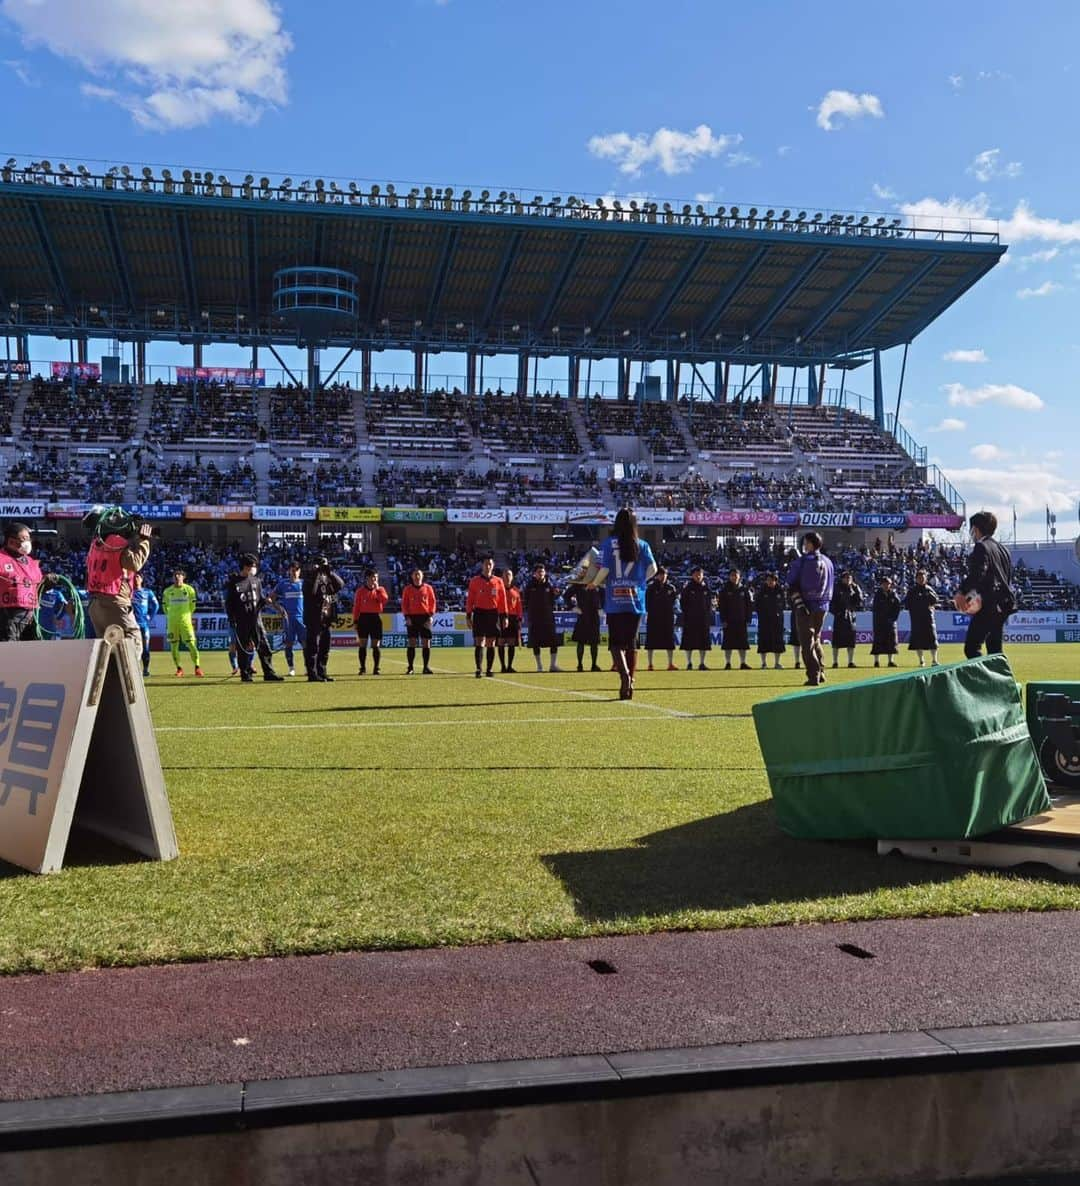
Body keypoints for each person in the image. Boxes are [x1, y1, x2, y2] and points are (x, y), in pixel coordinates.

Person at [592, 507, 657, 700]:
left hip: (615, 600)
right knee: (631, 644)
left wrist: (593, 584)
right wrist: (639, 582)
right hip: (635, 600)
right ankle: (632, 681)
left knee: (615, 644)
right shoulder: (642, 545)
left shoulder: (608, 544)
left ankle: (624, 676)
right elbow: (653, 568)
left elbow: (603, 570)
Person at [85, 515, 153, 645]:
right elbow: (134, 563)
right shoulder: (116, 542)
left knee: (107, 646)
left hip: (95, 602)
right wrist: (143, 541)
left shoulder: (96, 544)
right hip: (114, 600)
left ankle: (108, 666)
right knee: (133, 640)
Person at [959, 510, 1015, 659]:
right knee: (995, 648)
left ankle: (983, 680)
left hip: (989, 604)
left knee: (972, 647)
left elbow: (978, 574)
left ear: (975, 529)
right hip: (1004, 604)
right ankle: (1001, 680)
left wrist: (962, 591)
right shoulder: (1004, 550)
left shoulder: (981, 546)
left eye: (972, 529)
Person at [786, 531, 835, 687]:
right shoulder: (828, 562)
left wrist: (799, 604)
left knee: (807, 643)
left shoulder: (802, 561)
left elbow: (791, 582)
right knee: (817, 639)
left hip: (806, 605)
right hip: (823, 606)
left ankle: (813, 675)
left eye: (806, 542)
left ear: (811, 543)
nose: (804, 545)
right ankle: (821, 672)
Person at [226, 553, 284, 684]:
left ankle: (269, 673)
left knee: (264, 647)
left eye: (255, 566)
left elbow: (260, 599)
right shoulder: (234, 583)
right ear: (245, 567)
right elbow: (229, 603)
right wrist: (232, 619)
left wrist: (271, 603)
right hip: (242, 621)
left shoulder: (256, 581)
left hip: (256, 620)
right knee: (244, 650)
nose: (254, 569)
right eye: (252, 566)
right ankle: (245, 675)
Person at [0, 521, 47, 641]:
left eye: (28, 538)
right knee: (9, 654)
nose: (28, 542)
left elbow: (39, 586)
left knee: (32, 654)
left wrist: (48, 582)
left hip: (31, 617)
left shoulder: (32, 562)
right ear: (11, 541)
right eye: (24, 538)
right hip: (7, 616)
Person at [303, 555, 345, 682]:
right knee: (313, 647)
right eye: (321, 564)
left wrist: (329, 572)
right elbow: (312, 591)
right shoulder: (309, 578)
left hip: (326, 618)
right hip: (314, 618)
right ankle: (312, 673)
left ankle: (322, 671)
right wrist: (317, 573)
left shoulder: (328, 578)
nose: (323, 567)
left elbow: (340, 585)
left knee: (325, 647)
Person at [465, 556, 507, 679]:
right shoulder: (474, 581)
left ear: (493, 566)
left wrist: (504, 616)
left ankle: (489, 669)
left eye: (490, 564)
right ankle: (478, 669)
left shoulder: (498, 581)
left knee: (491, 642)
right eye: (486, 564)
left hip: (493, 614)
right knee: (479, 641)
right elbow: (470, 600)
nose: (488, 566)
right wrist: (468, 616)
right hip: (479, 613)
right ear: (482, 566)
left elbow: (502, 600)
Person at [162, 568, 202, 677]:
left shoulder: (189, 590)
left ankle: (197, 667)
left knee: (191, 644)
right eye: (175, 575)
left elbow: (192, 606)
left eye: (179, 575)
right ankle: (179, 668)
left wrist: (186, 615)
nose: (177, 577)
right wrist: (171, 616)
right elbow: (165, 606)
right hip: (172, 622)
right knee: (174, 646)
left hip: (186, 622)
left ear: (183, 577)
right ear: (173, 577)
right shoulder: (167, 591)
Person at [523, 562, 561, 673]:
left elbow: (553, 599)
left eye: (543, 572)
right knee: (536, 643)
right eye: (539, 572)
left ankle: (553, 665)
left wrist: (556, 593)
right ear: (534, 573)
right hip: (535, 618)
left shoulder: (549, 585)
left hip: (548, 618)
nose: (541, 574)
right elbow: (526, 601)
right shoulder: (530, 586)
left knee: (553, 642)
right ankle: (539, 666)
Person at [269, 561, 306, 676]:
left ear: (300, 571)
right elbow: (271, 599)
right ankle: (291, 668)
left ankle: (308, 667)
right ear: (289, 571)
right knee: (288, 644)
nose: (294, 572)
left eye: (297, 570)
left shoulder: (304, 584)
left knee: (305, 643)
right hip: (288, 619)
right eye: (292, 570)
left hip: (302, 619)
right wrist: (279, 609)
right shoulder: (283, 584)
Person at [352, 568, 389, 675]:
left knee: (375, 644)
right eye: (373, 577)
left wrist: (377, 590)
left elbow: (384, 600)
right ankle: (362, 668)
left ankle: (376, 668)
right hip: (363, 618)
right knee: (362, 644)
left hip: (375, 618)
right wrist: (355, 621)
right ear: (367, 578)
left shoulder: (380, 590)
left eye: (376, 578)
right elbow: (356, 607)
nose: (375, 580)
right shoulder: (360, 591)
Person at [401, 567, 437, 674]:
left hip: (425, 617)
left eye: (419, 574)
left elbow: (433, 603)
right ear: (412, 576)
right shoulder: (407, 589)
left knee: (426, 643)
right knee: (412, 642)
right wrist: (407, 617)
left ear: (422, 576)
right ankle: (410, 667)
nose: (417, 577)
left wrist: (431, 616)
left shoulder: (428, 588)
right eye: (415, 574)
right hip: (412, 618)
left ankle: (426, 667)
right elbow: (404, 604)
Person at [716, 567, 754, 670]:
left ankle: (743, 663)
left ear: (739, 576)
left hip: (741, 621)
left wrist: (748, 619)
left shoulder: (744, 590)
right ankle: (728, 663)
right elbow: (721, 607)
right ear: (729, 577)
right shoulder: (724, 590)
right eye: (732, 575)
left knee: (743, 643)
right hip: (728, 621)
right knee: (728, 644)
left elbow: (749, 606)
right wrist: (723, 620)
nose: (734, 577)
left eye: (736, 575)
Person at [679, 566, 714, 671]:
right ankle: (689, 663)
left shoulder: (706, 588)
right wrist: (688, 614)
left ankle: (702, 663)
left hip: (703, 619)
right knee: (688, 643)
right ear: (692, 575)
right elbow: (683, 603)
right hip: (690, 620)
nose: (698, 576)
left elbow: (709, 604)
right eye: (696, 574)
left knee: (703, 643)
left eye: (700, 574)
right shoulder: (687, 588)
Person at [645, 567, 679, 671]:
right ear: (656, 575)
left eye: (665, 574)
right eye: (661, 574)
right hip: (653, 618)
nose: (663, 576)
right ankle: (650, 664)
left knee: (669, 641)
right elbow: (647, 603)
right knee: (651, 641)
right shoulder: (650, 588)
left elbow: (674, 602)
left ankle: (670, 663)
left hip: (667, 618)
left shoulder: (671, 588)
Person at [905, 568, 940, 667]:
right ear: (916, 579)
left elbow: (935, 600)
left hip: (928, 618)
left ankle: (934, 660)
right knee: (917, 641)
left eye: (923, 577)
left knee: (933, 639)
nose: (921, 579)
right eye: (919, 578)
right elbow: (907, 604)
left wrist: (929, 596)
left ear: (926, 578)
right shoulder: (912, 591)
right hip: (916, 619)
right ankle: (921, 660)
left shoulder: (929, 589)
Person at [829, 570, 864, 669]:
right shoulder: (836, 588)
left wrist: (856, 591)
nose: (848, 579)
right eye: (846, 578)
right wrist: (837, 613)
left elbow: (860, 601)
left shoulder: (854, 588)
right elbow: (831, 603)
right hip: (839, 617)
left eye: (850, 578)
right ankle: (835, 662)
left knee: (851, 641)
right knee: (836, 642)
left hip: (851, 617)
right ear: (842, 579)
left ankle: (850, 661)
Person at [565, 579, 602, 672]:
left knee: (594, 642)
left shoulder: (598, 582)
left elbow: (605, 594)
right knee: (580, 641)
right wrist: (573, 607)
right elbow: (566, 596)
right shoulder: (578, 584)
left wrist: (602, 607)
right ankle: (579, 665)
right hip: (583, 614)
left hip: (594, 615)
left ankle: (594, 665)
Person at [755, 572, 786, 670]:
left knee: (778, 642)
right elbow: (757, 605)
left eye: (772, 580)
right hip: (764, 621)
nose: (770, 582)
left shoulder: (780, 591)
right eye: (768, 580)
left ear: (775, 581)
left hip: (777, 621)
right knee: (763, 642)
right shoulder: (761, 591)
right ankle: (763, 663)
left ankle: (777, 663)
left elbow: (783, 605)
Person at [131, 572, 159, 677]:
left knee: (145, 648)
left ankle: (146, 670)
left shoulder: (147, 592)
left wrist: (150, 616)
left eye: (137, 577)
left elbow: (156, 605)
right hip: (131, 625)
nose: (135, 579)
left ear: (142, 579)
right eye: (133, 577)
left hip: (143, 625)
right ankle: (132, 669)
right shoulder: (128, 592)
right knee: (131, 648)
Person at [871, 575, 901, 668]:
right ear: (881, 585)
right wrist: (878, 619)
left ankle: (890, 661)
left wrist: (893, 618)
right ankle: (876, 661)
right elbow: (875, 609)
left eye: (888, 584)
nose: (886, 585)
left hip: (890, 622)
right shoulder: (878, 595)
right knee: (877, 642)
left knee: (891, 642)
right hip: (879, 622)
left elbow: (897, 607)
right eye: (884, 584)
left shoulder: (893, 594)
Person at [498, 568, 522, 673]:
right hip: (501, 617)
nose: (508, 577)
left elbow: (519, 606)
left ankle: (509, 666)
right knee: (501, 642)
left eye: (509, 575)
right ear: (502, 577)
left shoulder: (516, 590)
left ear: (512, 577)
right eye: (506, 574)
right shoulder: (498, 589)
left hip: (513, 618)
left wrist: (519, 618)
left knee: (512, 643)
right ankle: (503, 666)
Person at [37, 573, 70, 641]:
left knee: (51, 647)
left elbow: (65, 605)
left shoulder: (57, 593)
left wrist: (58, 617)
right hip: (38, 627)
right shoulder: (37, 592)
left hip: (51, 628)